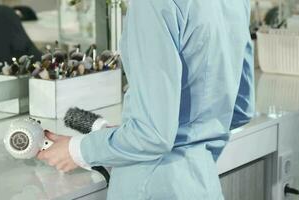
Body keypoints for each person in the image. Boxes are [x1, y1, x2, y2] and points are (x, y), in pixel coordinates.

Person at [37, 0, 254, 199]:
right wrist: (129, 136)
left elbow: (154, 135)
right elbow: (241, 110)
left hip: (150, 184)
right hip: (203, 186)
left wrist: (76, 150)